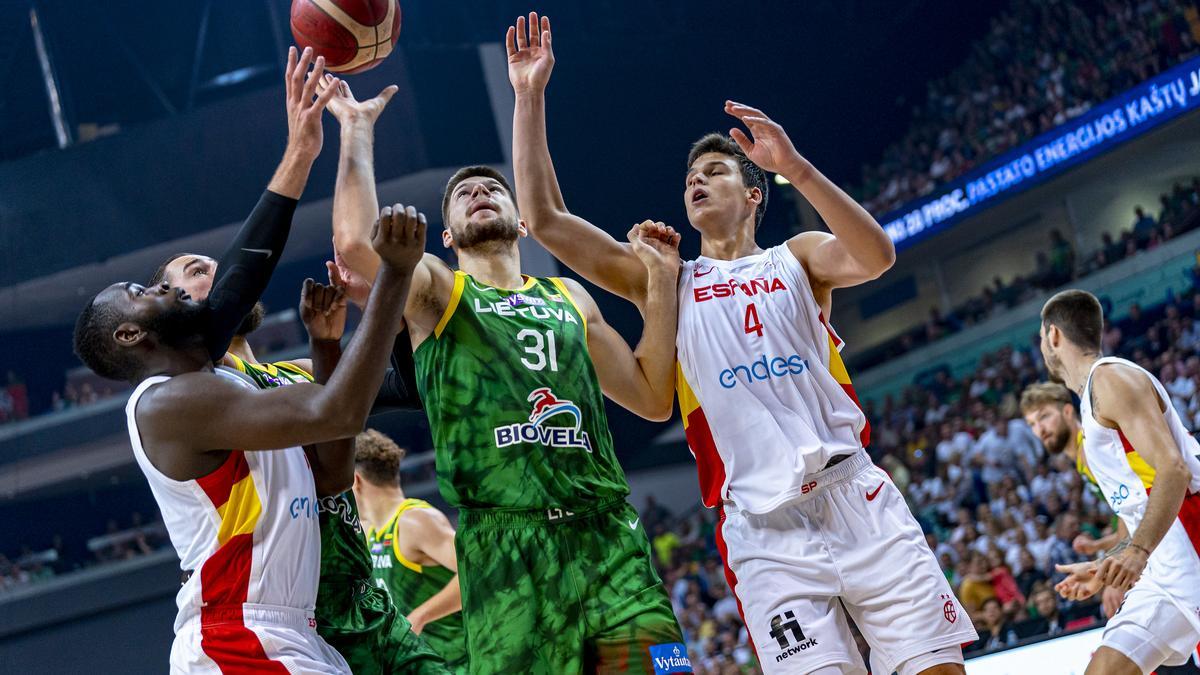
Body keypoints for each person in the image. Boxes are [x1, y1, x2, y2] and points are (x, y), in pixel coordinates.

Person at [508, 13, 975, 674]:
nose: (695, 181)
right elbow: (547, 220)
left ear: (753, 192)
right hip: (763, 529)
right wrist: (529, 96)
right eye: (689, 177)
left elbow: (876, 255)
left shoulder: (799, 258)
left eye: (714, 172)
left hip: (857, 495)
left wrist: (798, 168)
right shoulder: (667, 282)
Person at [322, 69, 690, 672]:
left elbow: (653, 397)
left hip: (609, 546)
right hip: (504, 555)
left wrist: (662, 284)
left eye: (491, 187)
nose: (478, 192)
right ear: (446, 235)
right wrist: (356, 131)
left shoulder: (571, 297)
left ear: (521, 222)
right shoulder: (439, 293)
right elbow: (358, 245)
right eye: (462, 193)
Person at [71, 50, 427, 667]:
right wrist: (392, 279)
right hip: (240, 632)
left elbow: (243, 280)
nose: (167, 288)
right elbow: (338, 411)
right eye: (144, 291)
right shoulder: (173, 401)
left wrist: (303, 149)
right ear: (131, 338)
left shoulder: (235, 379)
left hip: (300, 625)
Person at [154, 256, 447, 674]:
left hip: (367, 602)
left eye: (223, 267)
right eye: (198, 272)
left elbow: (410, 387)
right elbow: (331, 474)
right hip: (295, 614)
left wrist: (379, 303)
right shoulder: (205, 391)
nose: (221, 276)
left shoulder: (298, 372)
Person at [1041, 289, 1200, 674]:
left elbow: (1173, 469)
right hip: (1165, 561)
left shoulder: (1109, 379)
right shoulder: (1096, 394)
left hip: (1190, 545)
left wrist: (1137, 552)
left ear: (1054, 336)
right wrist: (1109, 563)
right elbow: (1141, 501)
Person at [1020, 381, 1150, 618]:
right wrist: (1099, 547)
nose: (1040, 429)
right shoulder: (1082, 458)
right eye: (1032, 424)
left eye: (1044, 416)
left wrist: (1110, 574)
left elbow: (1139, 506)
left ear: (1068, 412)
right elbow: (1130, 517)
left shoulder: (1091, 449)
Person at [354, 429, 468, 671]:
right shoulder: (369, 530)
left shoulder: (414, 520)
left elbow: (475, 572)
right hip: (423, 662)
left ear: (355, 480)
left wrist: (421, 614)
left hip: (460, 661)